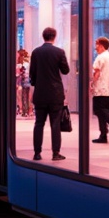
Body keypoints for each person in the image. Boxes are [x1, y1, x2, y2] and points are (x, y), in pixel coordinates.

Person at [30, 27, 70, 161]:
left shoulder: (36, 52)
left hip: (40, 93)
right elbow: (65, 70)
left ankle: (37, 153)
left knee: (39, 123)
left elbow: (32, 74)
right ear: (54, 36)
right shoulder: (59, 52)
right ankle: (55, 153)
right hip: (55, 94)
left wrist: (37, 84)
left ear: (43, 36)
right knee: (55, 124)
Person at [16, 48, 32, 117]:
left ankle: (24, 111)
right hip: (29, 80)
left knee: (23, 96)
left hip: (24, 80)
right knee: (28, 96)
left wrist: (20, 74)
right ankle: (28, 111)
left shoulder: (23, 64)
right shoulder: (29, 63)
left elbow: (22, 71)